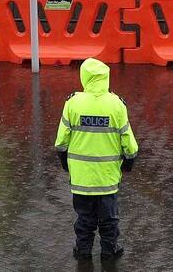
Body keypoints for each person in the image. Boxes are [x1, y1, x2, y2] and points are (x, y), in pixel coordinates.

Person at [54, 58, 138, 261]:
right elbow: (128, 141)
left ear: (84, 77)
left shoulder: (73, 103)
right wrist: (129, 159)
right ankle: (109, 251)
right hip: (107, 178)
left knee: (84, 218)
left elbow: (61, 140)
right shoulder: (116, 105)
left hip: (81, 178)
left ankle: (83, 251)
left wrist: (63, 159)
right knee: (109, 219)